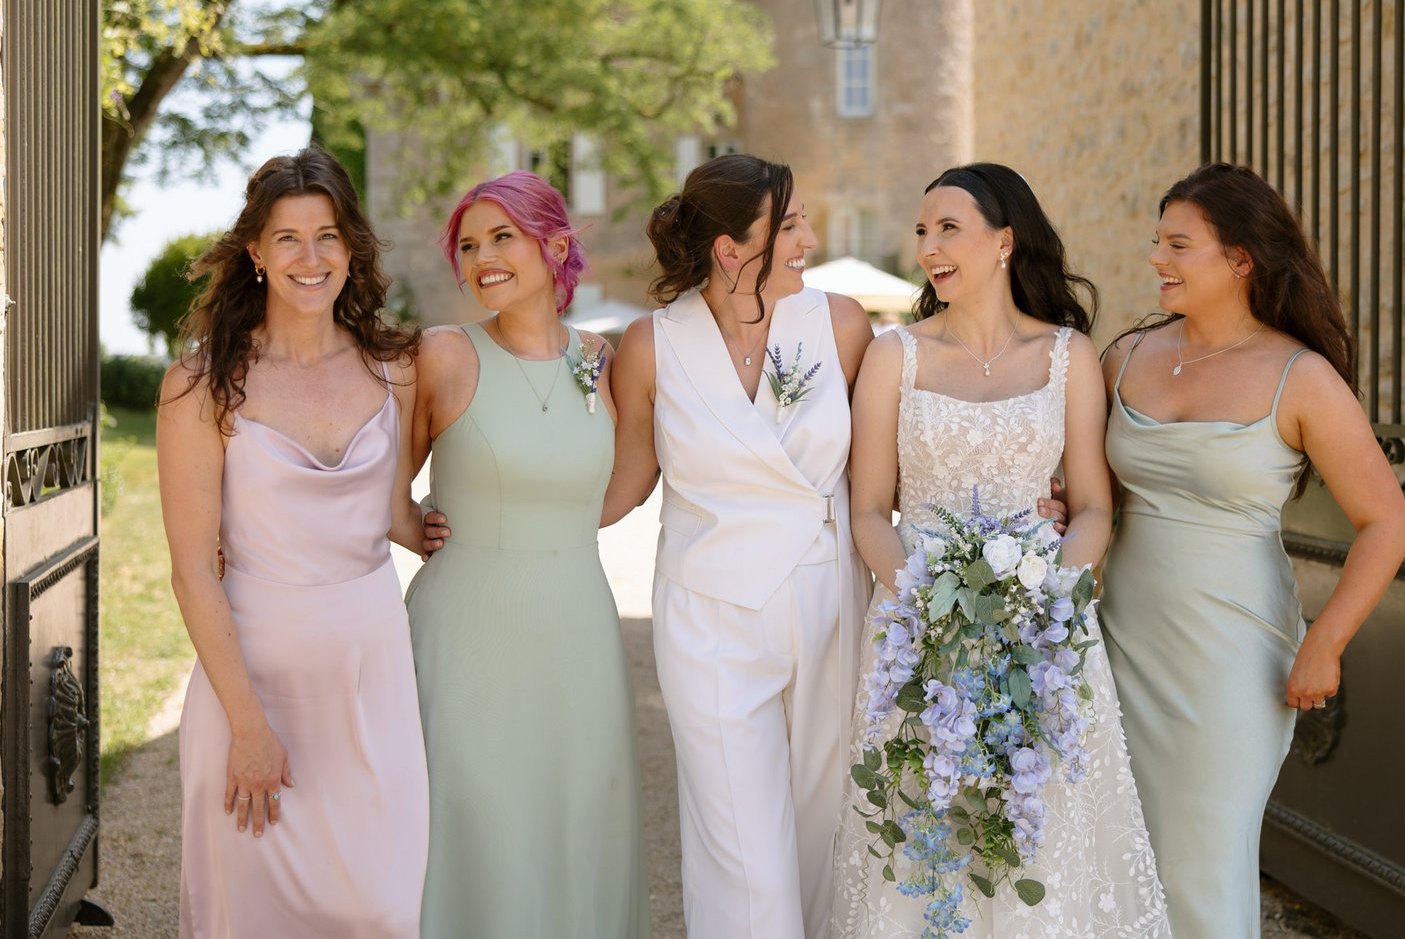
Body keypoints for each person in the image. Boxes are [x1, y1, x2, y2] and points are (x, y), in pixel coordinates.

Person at [834, 163, 1171, 937]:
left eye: (949, 227)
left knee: (1037, 831)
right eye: (922, 231)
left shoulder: (1068, 357)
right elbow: (867, 511)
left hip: (1043, 631)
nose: (929, 247)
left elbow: (1092, 508)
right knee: (926, 824)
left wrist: (1045, 593)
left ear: (1004, 241)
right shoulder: (895, 358)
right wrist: (927, 602)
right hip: (919, 636)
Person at [1098, 162, 1405, 938]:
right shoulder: (1126, 356)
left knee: (1201, 864)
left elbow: (1387, 524)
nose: (1157, 260)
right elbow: (1091, 496)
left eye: (1179, 245)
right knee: (1117, 859)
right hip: (1117, 644)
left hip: (1234, 657)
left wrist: (1327, 641)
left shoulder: (1299, 378)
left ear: (1240, 259)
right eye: (1157, 241)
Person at [157, 147, 429, 938]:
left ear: (352, 248)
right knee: (253, 916)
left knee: (379, 908)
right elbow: (190, 572)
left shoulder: (396, 369)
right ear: (255, 252)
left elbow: (390, 506)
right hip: (256, 686)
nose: (310, 258)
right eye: (287, 238)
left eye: (328, 236)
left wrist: (443, 528)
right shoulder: (201, 384)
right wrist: (247, 726)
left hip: (372, 686)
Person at [603, 153, 873, 939]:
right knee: (740, 847)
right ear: (730, 249)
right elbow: (624, 486)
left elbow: (890, 465)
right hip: (710, 613)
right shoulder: (652, 345)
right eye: (789, 226)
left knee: (828, 825)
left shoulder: (844, 325)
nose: (810, 239)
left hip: (828, 596)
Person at [402, 171, 648, 937]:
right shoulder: (443, 353)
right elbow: (380, 482)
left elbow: (626, 489)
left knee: (577, 805)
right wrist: (417, 528)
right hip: (464, 623)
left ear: (557, 245)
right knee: (469, 808)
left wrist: (553, 528)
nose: (483, 258)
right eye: (468, 246)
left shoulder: (605, 363)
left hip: (575, 622)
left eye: (502, 237)